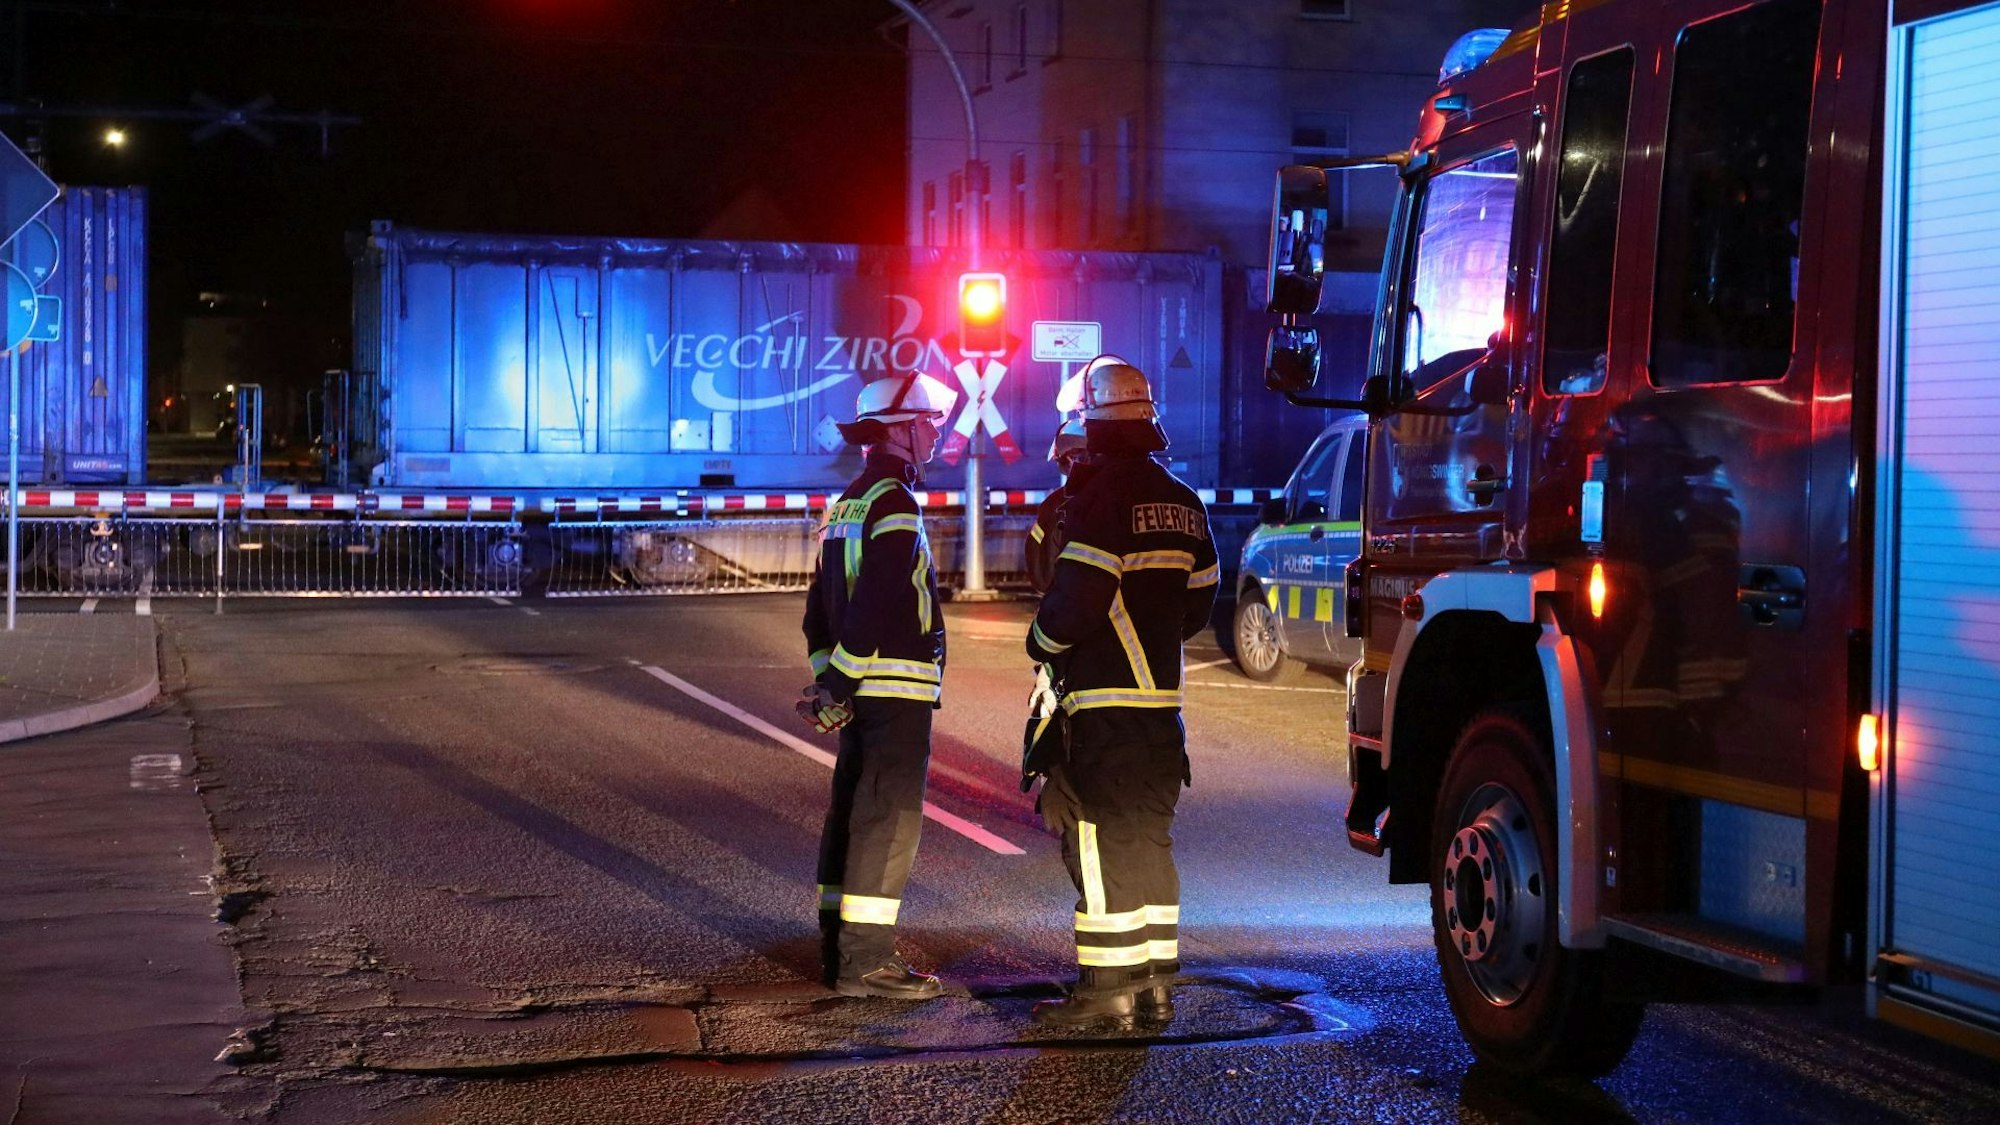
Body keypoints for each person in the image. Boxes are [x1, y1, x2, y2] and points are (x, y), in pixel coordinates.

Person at [1022, 361, 1219, 1030]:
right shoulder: (1185, 502)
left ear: (1094, 423)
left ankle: (1107, 990)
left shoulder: (1098, 502)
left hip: (1103, 710)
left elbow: (1074, 602)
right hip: (1162, 712)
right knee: (1149, 841)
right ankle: (1155, 987)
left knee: (1100, 844)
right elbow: (1200, 601)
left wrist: (1040, 642)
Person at [799, 372, 950, 1000]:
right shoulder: (895, 503)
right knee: (887, 820)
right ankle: (865, 962)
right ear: (902, 430)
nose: (936, 434)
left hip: (860, 689)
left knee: (853, 812)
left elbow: (817, 612)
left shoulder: (846, 504)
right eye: (929, 423)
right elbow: (881, 599)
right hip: (894, 688)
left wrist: (830, 681)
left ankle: (836, 945)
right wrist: (840, 682)